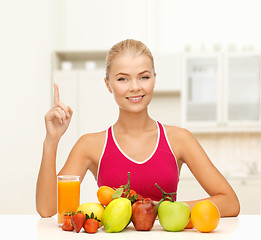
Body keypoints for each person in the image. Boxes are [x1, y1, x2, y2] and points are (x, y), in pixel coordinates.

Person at [36, 39, 240, 218]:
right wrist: (51, 140)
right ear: (108, 84)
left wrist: (163, 209)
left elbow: (230, 202)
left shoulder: (179, 139)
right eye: (122, 78)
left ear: (154, 79)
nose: (135, 86)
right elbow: (47, 209)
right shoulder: (90, 145)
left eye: (143, 77)